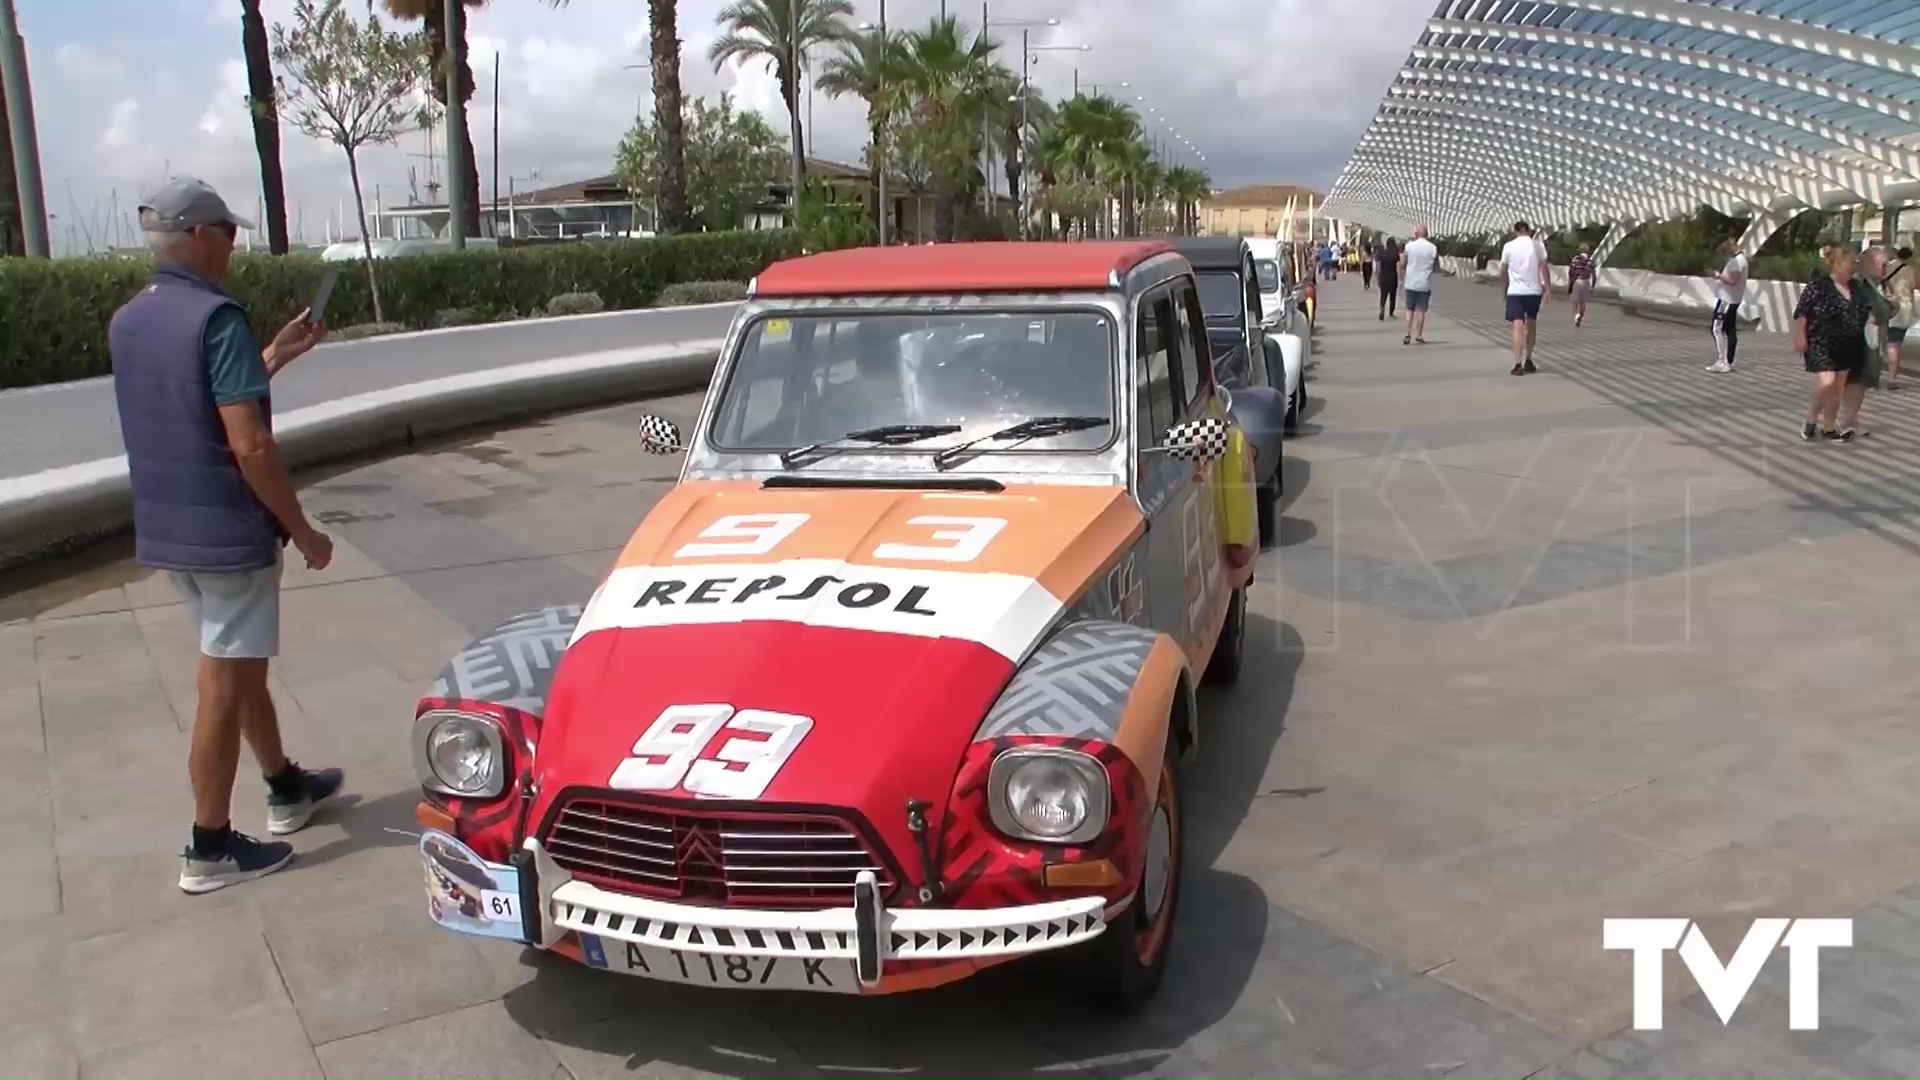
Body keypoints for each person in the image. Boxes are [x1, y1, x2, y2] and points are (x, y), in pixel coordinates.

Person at [109, 176, 345, 894]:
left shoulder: (131, 319)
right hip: (228, 534)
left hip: (169, 529)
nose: (235, 246)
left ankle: (284, 787)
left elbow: (193, 404)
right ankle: (208, 847)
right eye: (230, 233)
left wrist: (271, 358)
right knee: (222, 681)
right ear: (202, 236)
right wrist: (301, 529)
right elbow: (249, 446)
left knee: (238, 667)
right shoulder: (218, 319)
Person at [1794, 243, 1873, 441]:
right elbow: (1801, 313)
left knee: (1837, 387)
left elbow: (1868, 310)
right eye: (1848, 263)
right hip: (1821, 342)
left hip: (1848, 345)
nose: (1851, 267)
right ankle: (1811, 418)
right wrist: (1800, 336)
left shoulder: (1857, 288)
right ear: (1835, 264)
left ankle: (1828, 427)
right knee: (1827, 383)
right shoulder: (1818, 286)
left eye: (1853, 264)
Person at [1837, 246, 1893, 438]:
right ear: (1870, 264)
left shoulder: (1876, 285)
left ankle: (1849, 419)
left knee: (1858, 381)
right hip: (1859, 340)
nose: (1886, 269)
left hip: (1866, 339)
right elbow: (1876, 311)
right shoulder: (1861, 286)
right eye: (1883, 265)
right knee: (1856, 380)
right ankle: (1846, 421)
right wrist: (1890, 306)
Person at [1499, 220, 1550, 375]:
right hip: (1534, 291)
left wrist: (1504, 290)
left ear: (1515, 231)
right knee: (1531, 325)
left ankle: (1517, 363)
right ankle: (1529, 359)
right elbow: (1544, 267)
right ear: (1528, 231)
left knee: (1517, 327)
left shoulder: (1509, 246)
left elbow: (1503, 271)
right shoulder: (1538, 245)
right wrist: (1547, 288)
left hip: (1515, 292)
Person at [1706, 235, 1749, 373]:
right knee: (1728, 329)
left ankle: (1723, 360)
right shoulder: (1738, 260)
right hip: (1729, 299)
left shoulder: (1738, 262)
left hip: (1727, 300)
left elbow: (1732, 280)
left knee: (1718, 328)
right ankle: (1727, 360)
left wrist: (1717, 275)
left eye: (1725, 251)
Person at [1881, 244, 1914, 389]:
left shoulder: (1888, 266)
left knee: (1885, 342)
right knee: (1895, 344)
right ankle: (1892, 379)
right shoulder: (1909, 269)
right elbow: (1912, 286)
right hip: (1903, 309)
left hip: (1886, 305)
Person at [1401, 225, 1438, 346]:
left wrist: (1402, 272)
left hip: (1410, 282)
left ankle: (1407, 333)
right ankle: (1419, 335)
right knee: (1421, 310)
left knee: (1409, 309)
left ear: (1416, 234)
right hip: (1424, 283)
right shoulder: (1432, 248)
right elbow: (1434, 265)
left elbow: (1402, 263)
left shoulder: (1409, 246)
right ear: (1427, 234)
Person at [1568, 243, 1596, 327]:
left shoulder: (1575, 259)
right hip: (1586, 281)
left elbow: (1571, 271)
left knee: (1575, 301)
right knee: (1583, 302)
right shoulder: (1590, 260)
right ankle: (1581, 316)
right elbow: (1594, 275)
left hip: (1577, 280)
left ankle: (1577, 315)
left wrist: (1571, 281)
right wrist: (1593, 286)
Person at [1375, 237, 1400, 321]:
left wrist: (1378, 276)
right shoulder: (1395, 253)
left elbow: (1378, 266)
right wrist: (1401, 278)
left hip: (1383, 277)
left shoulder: (1382, 253)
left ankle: (1382, 308)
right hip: (1393, 277)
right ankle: (1391, 312)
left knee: (1383, 295)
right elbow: (1398, 266)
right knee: (1392, 296)